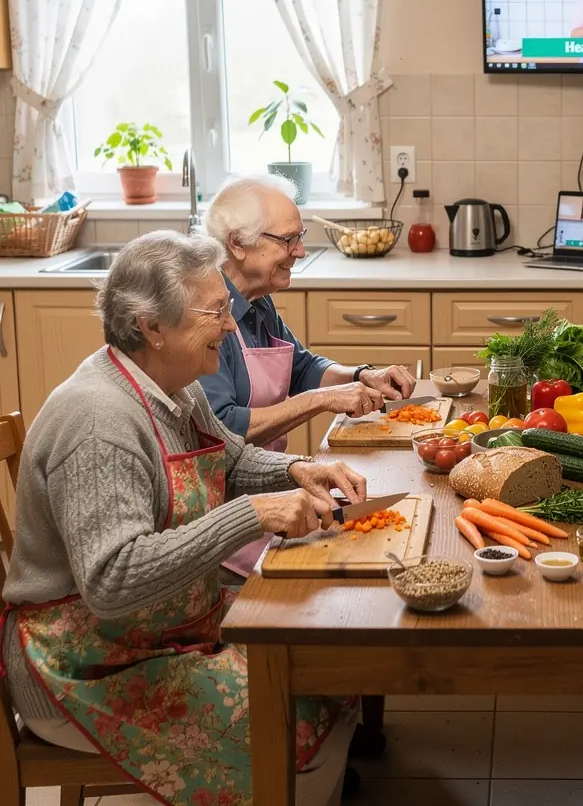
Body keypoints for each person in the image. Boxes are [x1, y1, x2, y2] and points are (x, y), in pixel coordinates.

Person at [0, 231, 367, 805]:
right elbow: (113, 580)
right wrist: (251, 514)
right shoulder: (99, 422)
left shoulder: (170, 383)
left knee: (327, 663)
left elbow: (231, 456)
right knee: (294, 710)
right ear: (152, 327)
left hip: (165, 627)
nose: (229, 326)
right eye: (215, 311)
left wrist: (298, 470)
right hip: (86, 663)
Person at [200, 174, 416, 451]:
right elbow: (222, 428)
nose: (300, 251)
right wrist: (323, 399)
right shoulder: (205, 314)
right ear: (237, 243)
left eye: (299, 237)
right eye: (287, 239)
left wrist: (361, 375)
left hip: (266, 471)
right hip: (225, 488)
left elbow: (301, 369)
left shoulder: (258, 299)